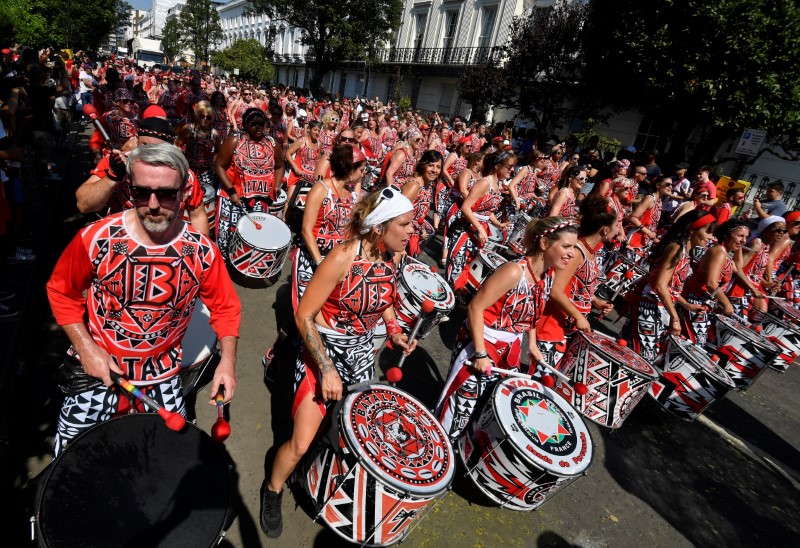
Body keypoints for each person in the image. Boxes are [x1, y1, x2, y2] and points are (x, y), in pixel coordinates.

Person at [46, 144, 240, 456]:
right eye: (140, 193)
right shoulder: (96, 237)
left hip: (162, 377)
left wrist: (227, 362)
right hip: (98, 372)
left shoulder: (202, 251)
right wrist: (86, 349)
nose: (152, 204)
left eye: (165, 194)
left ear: (184, 192)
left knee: (160, 464)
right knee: (72, 467)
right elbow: (60, 291)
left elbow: (226, 307)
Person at [260, 187, 417, 538]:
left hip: (361, 355)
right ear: (380, 227)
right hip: (323, 354)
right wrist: (326, 369)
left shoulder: (391, 257)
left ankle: (316, 477)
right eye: (405, 224)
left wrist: (393, 330)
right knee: (300, 441)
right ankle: (272, 488)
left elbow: (385, 297)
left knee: (347, 433)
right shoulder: (343, 257)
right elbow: (304, 316)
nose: (412, 231)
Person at [436, 217, 578, 442]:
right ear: (544, 244)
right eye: (566, 246)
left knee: (484, 406)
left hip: (508, 348)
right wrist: (481, 354)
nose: (571, 253)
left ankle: (458, 448)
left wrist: (531, 344)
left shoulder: (547, 275)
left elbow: (534, 312)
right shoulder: (514, 271)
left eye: (574, 247)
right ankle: (438, 445)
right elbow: (475, 308)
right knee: (459, 407)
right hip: (479, 342)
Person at [624, 211, 716, 361]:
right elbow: (660, 286)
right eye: (708, 232)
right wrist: (675, 318)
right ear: (692, 230)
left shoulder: (685, 251)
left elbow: (669, 287)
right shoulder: (677, 249)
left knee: (632, 354)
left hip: (654, 308)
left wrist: (686, 305)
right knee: (643, 359)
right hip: (649, 307)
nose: (710, 238)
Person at [536, 196, 617, 365]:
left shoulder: (590, 251)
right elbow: (555, 290)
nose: (618, 230)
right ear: (605, 230)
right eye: (616, 226)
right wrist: (578, 316)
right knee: (541, 377)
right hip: (554, 323)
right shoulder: (577, 252)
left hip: (569, 323)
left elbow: (578, 284)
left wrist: (595, 301)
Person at [290, 144, 363, 310]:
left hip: (335, 262)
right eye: (361, 170)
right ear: (350, 170)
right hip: (312, 259)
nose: (363, 174)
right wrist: (319, 262)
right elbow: (306, 230)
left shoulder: (351, 194)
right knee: (304, 310)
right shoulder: (321, 189)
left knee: (321, 310)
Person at [215, 108, 285, 261]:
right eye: (253, 124)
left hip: (261, 198)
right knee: (228, 233)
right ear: (246, 125)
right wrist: (232, 191)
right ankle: (224, 265)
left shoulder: (272, 144)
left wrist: (277, 185)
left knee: (253, 234)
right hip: (233, 197)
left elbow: (279, 166)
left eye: (261, 124)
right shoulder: (235, 141)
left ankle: (244, 263)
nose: (258, 127)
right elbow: (219, 165)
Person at [681, 219, 764, 345]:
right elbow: (711, 284)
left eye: (746, 237)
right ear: (726, 234)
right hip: (695, 300)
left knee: (697, 343)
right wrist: (727, 304)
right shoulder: (719, 251)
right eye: (740, 236)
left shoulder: (726, 253)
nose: (743, 240)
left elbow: (738, 267)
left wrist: (738, 246)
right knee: (695, 344)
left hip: (704, 303)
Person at [447, 150, 511, 288]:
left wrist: (499, 224)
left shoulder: (498, 185)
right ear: (497, 166)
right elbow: (466, 207)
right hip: (465, 230)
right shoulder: (484, 183)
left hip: (477, 233)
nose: (511, 170)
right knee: (456, 269)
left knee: (467, 267)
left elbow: (487, 211)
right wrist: (480, 227)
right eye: (508, 166)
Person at [727, 215, 785, 319]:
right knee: (737, 325)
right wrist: (753, 289)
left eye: (783, 231)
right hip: (738, 289)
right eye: (778, 230)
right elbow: (738, 268)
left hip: (749, 289)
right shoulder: (756, 245)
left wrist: (767, 284)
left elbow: (754, 273)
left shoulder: (766, 247)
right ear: (766, 229)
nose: (781, 233)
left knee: (758, 318)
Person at [401, 149, 443, 257]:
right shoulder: (414, 186)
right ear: (423, 165)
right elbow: (397, 214)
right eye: (431, 165)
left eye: (438, 167)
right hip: (400, 238)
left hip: (410, 236)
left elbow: (417, 215)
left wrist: (421, 229)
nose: (434, 170)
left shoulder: (428, 186)